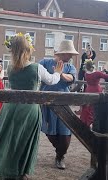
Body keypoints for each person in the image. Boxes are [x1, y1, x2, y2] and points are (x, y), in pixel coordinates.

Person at [0, 33, 63, 179]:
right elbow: (51, 80)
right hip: (29, 109)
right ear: (28, 50)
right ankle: (20, 171)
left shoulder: (10, 68)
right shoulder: (36, 68)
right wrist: (58, 73)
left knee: (7, 138)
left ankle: (3, 167)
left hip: (10, 108)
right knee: (24, 140)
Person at [40, 40, 78, 170]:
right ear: (63, 53)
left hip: (63, 102)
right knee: (49, 131)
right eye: (70, 54)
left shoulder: (70, 67)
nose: (72, 57)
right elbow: (37, 74)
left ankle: (60, 156)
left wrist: (60, 73)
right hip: (47, 102)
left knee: (65, 133)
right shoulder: (44, 62)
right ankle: (59, 152)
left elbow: (72, 78)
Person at [80, 59, 108, 127]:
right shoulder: (97, 73)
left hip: (88, 90)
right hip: (96, 90)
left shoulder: (86, 74)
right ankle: (95, 124)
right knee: (95, 109)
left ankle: (87, 123)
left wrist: (102, 71)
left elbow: (94, 75)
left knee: (88, 108)